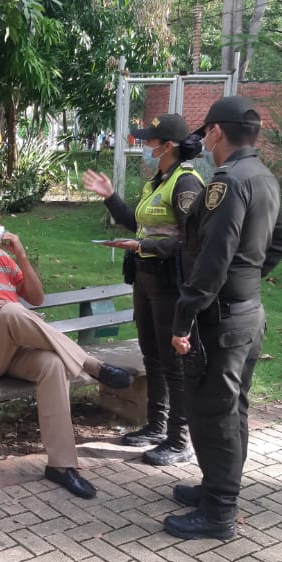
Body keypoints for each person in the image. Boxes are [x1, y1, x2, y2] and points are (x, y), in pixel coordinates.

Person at [0, 201, 135, 499]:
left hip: (14, 350)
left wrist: (22, 257)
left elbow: (37, 298)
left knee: (52, 364)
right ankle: (93, 366)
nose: (0, 225)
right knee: (10, 311)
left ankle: (61, 465)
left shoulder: (3, 259)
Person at [166, 96, 282, 540]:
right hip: (247, 313)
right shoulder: (263, 176)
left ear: (216, 132)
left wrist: (183, 320)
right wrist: (247, 282)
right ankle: (217, 489)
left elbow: (212, 260)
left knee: (213, 413)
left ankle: (219, 513)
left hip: (221, 319)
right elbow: (277, 247)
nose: (202, 140)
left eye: (204, 133)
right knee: (231, 409)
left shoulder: (228, 183)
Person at [82, 114, 204, 468]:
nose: (145, 145)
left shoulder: (186, 184)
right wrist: (110, 197)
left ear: (168, 146)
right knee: (152, 357)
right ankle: (156, 425)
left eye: (151, 141)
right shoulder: (158, 181)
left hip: (169, 283)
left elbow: (190, 243)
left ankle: (180, 440)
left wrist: (142, 247)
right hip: (146, 280)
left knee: (172, 362)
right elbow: (137, 222)